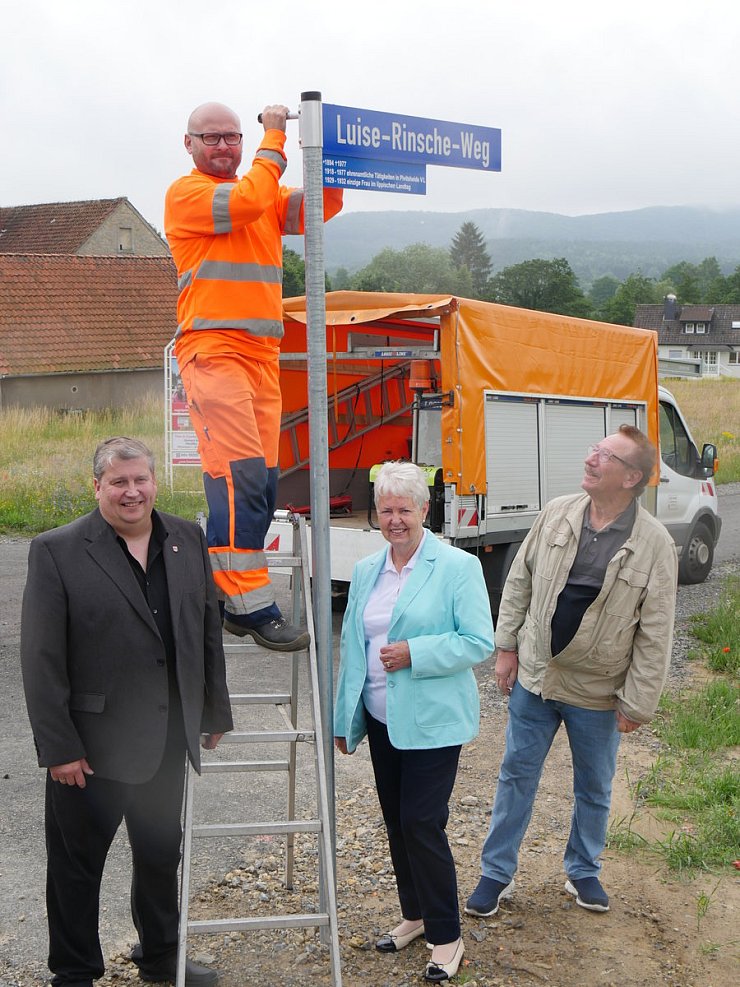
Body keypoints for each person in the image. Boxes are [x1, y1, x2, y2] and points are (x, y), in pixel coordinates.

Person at [21, 437, 234, 987]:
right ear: (98, 487)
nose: (132, 491)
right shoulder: (57, 550)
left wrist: (213, 709)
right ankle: (74, 972)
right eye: (119, 482)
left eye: (140, 479)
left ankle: (161, 957)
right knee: (76, 868)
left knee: (162, 856)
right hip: (90, 750)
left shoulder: (186, 538)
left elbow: (205, 627)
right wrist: (59, 747)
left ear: (154, 482)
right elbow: (41, 658)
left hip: (166, 739)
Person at [466, 425, 678, 919]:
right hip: (537, 679)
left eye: (605, 455)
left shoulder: (655, 544)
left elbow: (656, 632)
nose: (590, 459)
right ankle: (496, 873)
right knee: (516, 776)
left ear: (631, 477)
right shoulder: (557, 512)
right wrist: (506, 647)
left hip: (598, 692)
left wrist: (638, 701)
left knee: (594, 786)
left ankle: (583, 869)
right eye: (593, 449)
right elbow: (519, 580)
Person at [164, 101, 343, 652]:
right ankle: (248, 606)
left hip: (262, 357)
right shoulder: (188, 194)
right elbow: (247, 201)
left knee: (262, 483)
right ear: (189, 144)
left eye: (232, 137)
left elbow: (319, 210)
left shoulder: (261, 193)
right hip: (214, 351)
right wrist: (275, 137)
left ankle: (233, 596)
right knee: (238, 478)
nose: (224, 146)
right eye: (212, 137)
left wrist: (333, 153)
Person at [334, 461, 494, 982]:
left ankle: (447, 936)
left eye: (405, 509)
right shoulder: (366, 570)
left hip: (434, 722)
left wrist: (415, 653)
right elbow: (353, 648)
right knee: (397, 822)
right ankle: (416, 914)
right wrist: (345, 718)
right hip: (382, 719)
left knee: (422, 823)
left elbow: (478, 641)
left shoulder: (456, 567)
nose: (395, 520)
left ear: (425, 510)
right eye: (386, 510)